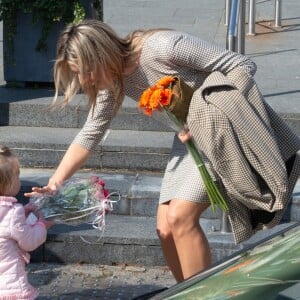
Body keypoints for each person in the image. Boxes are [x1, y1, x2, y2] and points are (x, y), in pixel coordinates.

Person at [24, 19, 300, 283]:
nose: (85, 81)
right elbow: (90, 133)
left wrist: (208, 113)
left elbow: (241, 64)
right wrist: (54, 183)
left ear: (100, 55)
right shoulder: (113, 82)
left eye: (86, 70)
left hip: (218, 131)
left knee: (181, 217)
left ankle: (204, 297)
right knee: (165, 228)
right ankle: (188, 293)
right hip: (188, 140)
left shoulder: (163, 47)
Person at [0, 146, 54, 299]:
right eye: (17, 176)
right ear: (7, 184)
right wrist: (42, 226)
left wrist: (23, 213)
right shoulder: (12, 212)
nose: (19, 180)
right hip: (9, 286)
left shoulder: (13, 213)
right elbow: (28, 241)